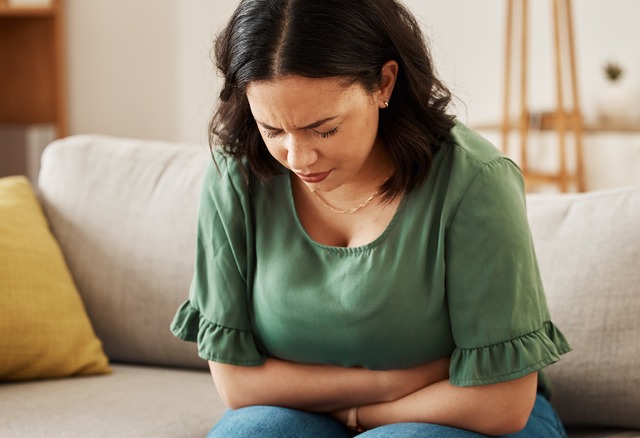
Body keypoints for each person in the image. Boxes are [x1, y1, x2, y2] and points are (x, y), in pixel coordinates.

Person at [170, 0, 571, 436]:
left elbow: (502, 404)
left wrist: (362, 419)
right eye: (272, 130)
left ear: (384, 83)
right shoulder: (237, 176)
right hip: (311, 412)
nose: (298, 157)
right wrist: (389, 384)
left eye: (323, 128)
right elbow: (237, 384)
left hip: (464, 415)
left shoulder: (474, 182)